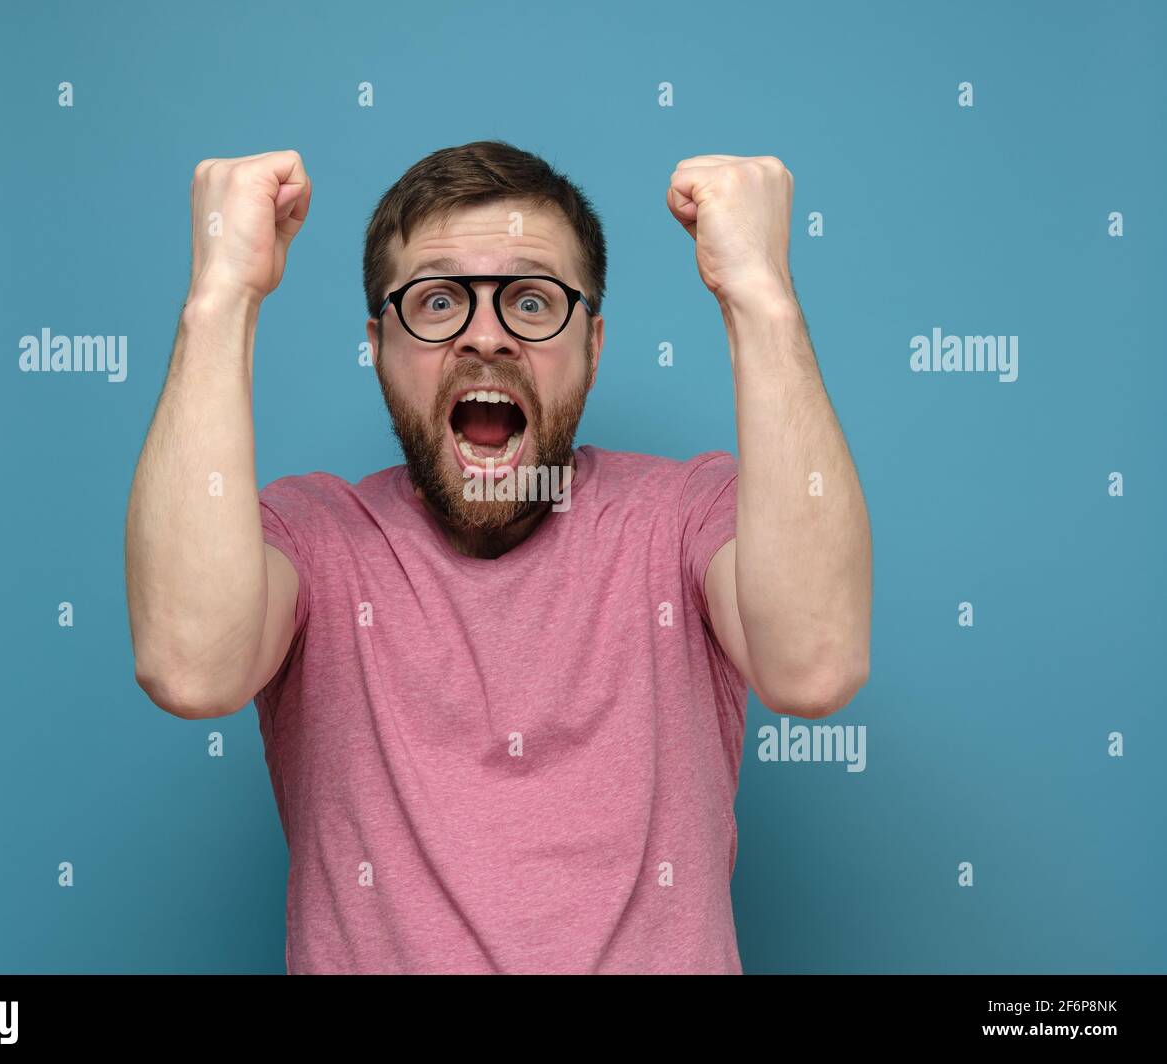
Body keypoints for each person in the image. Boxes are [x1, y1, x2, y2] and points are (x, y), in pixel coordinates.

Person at [124, 140, 872, 974]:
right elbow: (190, 667)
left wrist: (760, 298)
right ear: (378, 345)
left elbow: (814, 664)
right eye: (439, 302)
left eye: (529, 299)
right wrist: (220, 297)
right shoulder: (317, 537)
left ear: (592, 343)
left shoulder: (684, 516)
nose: (488, 337)